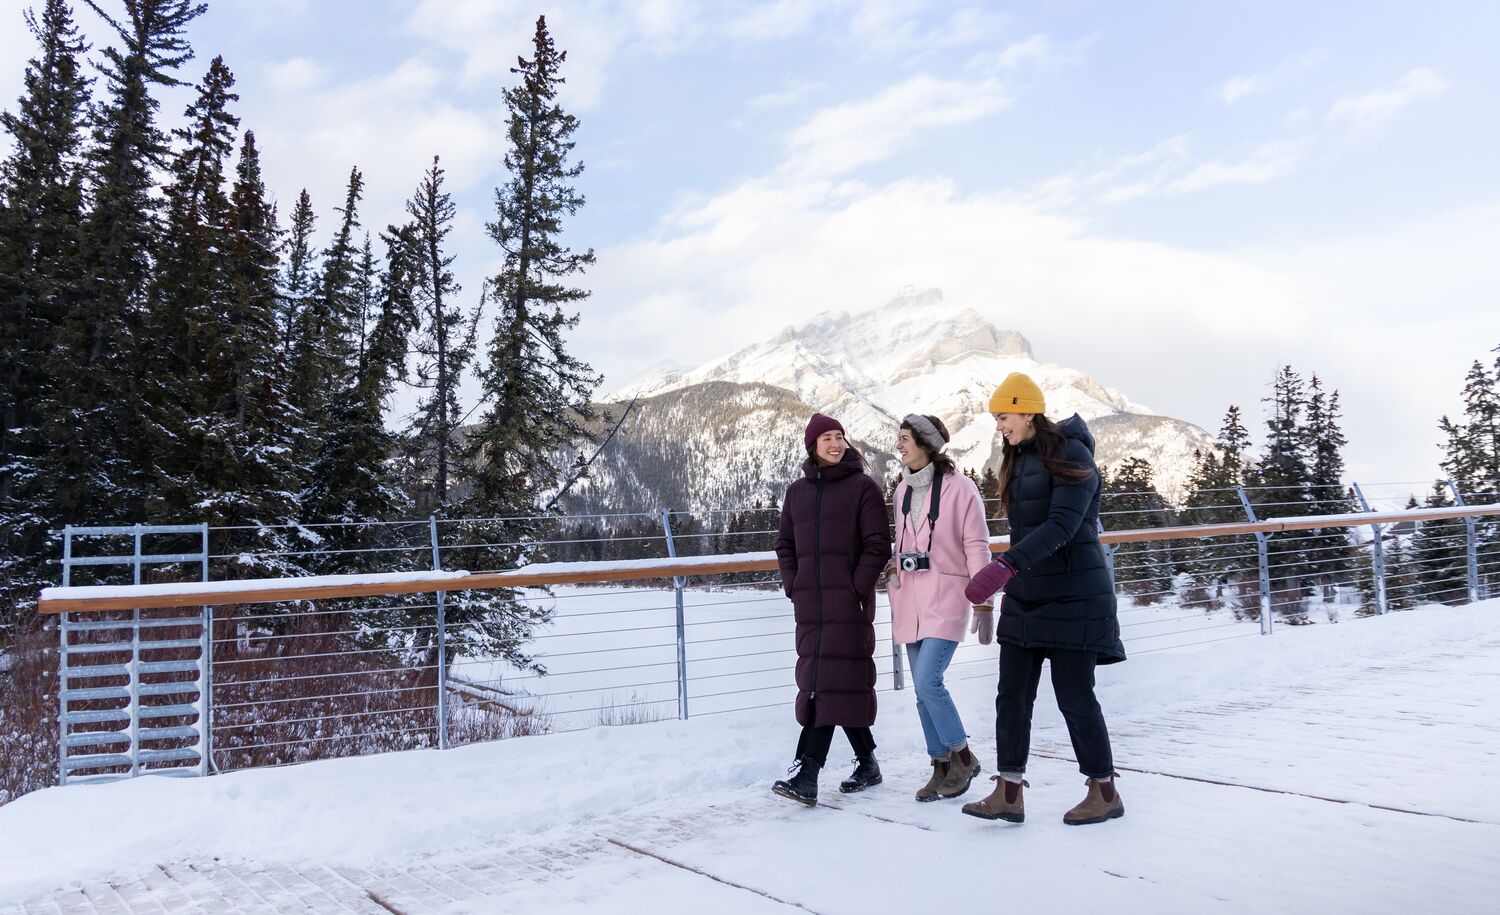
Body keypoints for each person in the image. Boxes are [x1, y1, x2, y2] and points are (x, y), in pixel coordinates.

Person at [961, 372, 1127, 825]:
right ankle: (1009, 792)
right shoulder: (1018, 459)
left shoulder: (1072, 454)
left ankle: (1104, 791)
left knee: (1074, 696)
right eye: (996, 418)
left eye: (1004, 416)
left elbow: (1063, 526)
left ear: (1028, 411)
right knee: (1010, 696)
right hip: (1028, 595)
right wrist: (1012, 574)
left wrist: (1004, 566)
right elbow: (1027, 529)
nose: (999, 426)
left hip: (1075, 595)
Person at [772, 413, 893, 806]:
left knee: (826, 684)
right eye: (827, 437)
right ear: (813, 445)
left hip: (848, 604)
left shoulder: (864, 489)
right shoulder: (796, 493)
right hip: (809, 605)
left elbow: (878, 545)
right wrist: (794, 584)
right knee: (833, 682)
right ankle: (867, 761)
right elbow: (785, 545)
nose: (835, 443)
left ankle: (806, 772)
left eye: (840, 436)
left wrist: (856, 587)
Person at [886, 414, 994, 802]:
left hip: (947, 596)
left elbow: (977, 546)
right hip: (910, 598)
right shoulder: (901, 492)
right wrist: (894, 569)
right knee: (921, 691)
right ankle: (940, 766)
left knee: (928, 681)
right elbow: (904, 543)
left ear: (925, 443)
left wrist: (984, 602)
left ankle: (963, 756)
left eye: (904, 439)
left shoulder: (960, 488)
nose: (898, 446)